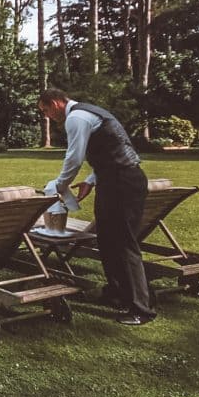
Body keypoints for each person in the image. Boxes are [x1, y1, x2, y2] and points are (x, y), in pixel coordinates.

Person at [37, 88, 155, 326]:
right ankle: (117, 293)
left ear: (57, 102)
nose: (47, 116)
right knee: (106, 239)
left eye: (46, 110)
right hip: (113, 179)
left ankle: (142, 308)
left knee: (123, 243)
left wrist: (60, 185)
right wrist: (91, 181)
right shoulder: (90, 113)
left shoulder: (76, 118)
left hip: (123, 181)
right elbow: (110, 151)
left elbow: (74, 157)